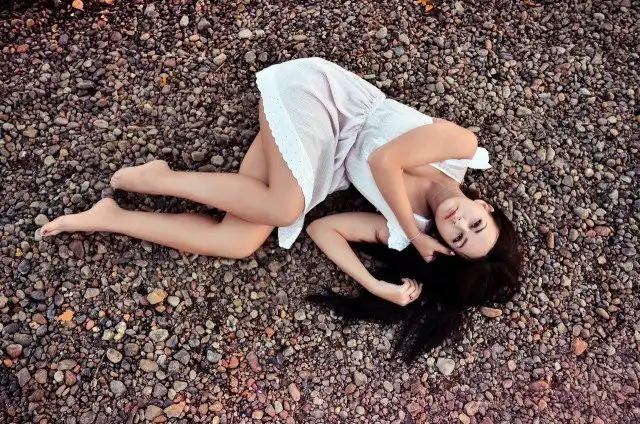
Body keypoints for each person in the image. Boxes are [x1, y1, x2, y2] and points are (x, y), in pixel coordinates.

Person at [41, 57, 523, 361]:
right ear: (484, 205)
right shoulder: (460, 147)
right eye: (475, 222)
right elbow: (384, 161)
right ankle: (158, 178)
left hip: (320, 156)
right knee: (285, 205)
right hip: (323, 99)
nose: (458, 223)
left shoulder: (407, 227)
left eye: (459, 237)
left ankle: (112, 217)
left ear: (448, 248)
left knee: (239, 241)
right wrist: (416, 236)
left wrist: (375, 284)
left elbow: (324, 230)